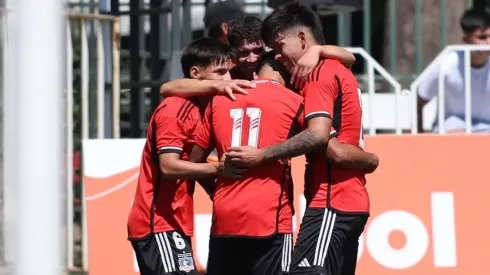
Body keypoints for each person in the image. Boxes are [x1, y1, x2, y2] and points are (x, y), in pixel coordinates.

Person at [189, 51, 378, 275]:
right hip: (270, 220)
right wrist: (371, 159)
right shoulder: (294, 101)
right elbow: (334, 150)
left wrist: (216, 189)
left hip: (225, 219)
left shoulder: (219, 100)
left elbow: (194, 163)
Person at [225, 3, 370, 275]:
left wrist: (262, 154)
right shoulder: (332, 67)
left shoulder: (316, 74)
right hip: (345, 200)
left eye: (277, 47)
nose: (277, 57)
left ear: (302, 38)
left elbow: (322, 139)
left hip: (332, 200)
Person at [127, 38, 242, 275]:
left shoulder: (206, 109)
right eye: (220, 72)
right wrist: (218, 170)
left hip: (176, 221)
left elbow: (192, 165)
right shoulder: (175, 109)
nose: (228, 80)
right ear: (195, 73)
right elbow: (169, 167)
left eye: (230, 72)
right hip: (157, 222)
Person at [417, 7, 490, 133]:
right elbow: (420, 100)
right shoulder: (447, 64)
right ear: (466, 40)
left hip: (487, 128)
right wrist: (419, 137)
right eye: (482, 37)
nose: (489, 42)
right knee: (458, 136)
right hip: (450, 126)